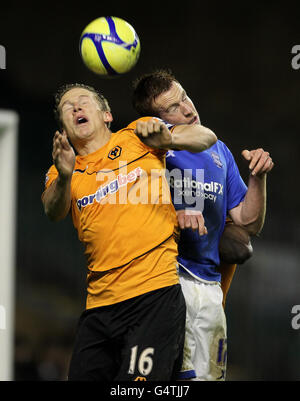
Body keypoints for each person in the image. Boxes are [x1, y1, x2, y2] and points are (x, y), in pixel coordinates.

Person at [41, 83, 217, 381]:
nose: (77, 109)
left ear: (107, 115)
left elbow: (205, 137)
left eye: (84, 102)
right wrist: (66, 174)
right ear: (63, 127)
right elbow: (53, 210)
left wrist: (169, 138)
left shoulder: (137, 136)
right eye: (67, 109)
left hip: (154, 298)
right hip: (99, 307)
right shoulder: (61, 171)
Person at [132, 69, 274, 381]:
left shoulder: (219, 151)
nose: (187, 108)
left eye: (184, 97)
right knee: (159, 379)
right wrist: (174, 217)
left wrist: (258, 178)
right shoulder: (146, 151)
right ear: (156, 119)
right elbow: (129, 213)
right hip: (164, 280)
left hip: (209, 287)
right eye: (172, 107)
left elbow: (246, 222)